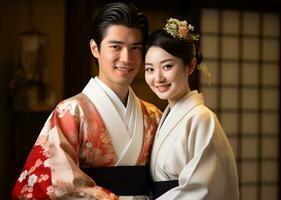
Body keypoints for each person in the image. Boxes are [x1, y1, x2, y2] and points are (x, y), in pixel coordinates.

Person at [11, 2, 161, 200]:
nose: (126, 58)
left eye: (135, 48)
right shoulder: (70, 112)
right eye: (116, 47)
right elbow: (50, 181)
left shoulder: (153, 115)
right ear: (95, 48)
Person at [144, 18, 239, 199]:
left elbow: (202, 189)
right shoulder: (166, 118)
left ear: (190, 65)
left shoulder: (201, 118)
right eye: (150, 69)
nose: (158, 78)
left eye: (167, 66)